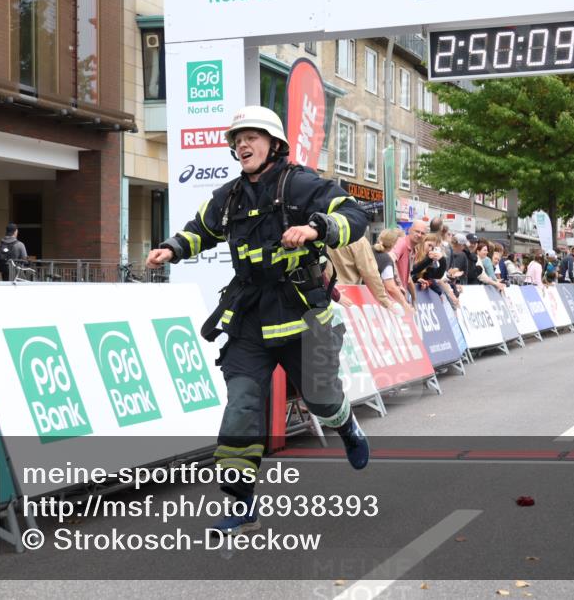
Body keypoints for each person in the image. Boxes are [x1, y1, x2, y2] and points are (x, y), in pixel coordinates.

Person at [144, 106, 369, 537]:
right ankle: (243, 505)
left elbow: (354, 217)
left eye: (252, 137)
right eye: (237, 139)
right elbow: (200, 230)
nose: (242, 145)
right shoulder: (228, 195)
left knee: (321, 399)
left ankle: (348, 427)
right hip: (249, 316)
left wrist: (316, 228)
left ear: (274, 144)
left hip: (303, 313)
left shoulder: (301, 183)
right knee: (241, 409)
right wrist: (171, 248)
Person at [327, 236, 395, 312]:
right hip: (348, 297)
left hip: (325, 292)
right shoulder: (357, 239)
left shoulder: (324, 233)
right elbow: (370, 273)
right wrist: (384, 300)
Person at [372, 229, 414, 313]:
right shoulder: (386, 259)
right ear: (394, 244)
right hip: (376, 301)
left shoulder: (368, 251)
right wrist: (405, 304)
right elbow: (390, 287)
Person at [390, 220, 428, 303]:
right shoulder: (401, 243)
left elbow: (408, 277)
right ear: (409, 230)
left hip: (400, 296)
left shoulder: (413, 250)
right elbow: (390, 260)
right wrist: (398, 284)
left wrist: (414, 299)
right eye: (417, 231)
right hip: (392, 296)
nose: (419, 235)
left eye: (422, 233)